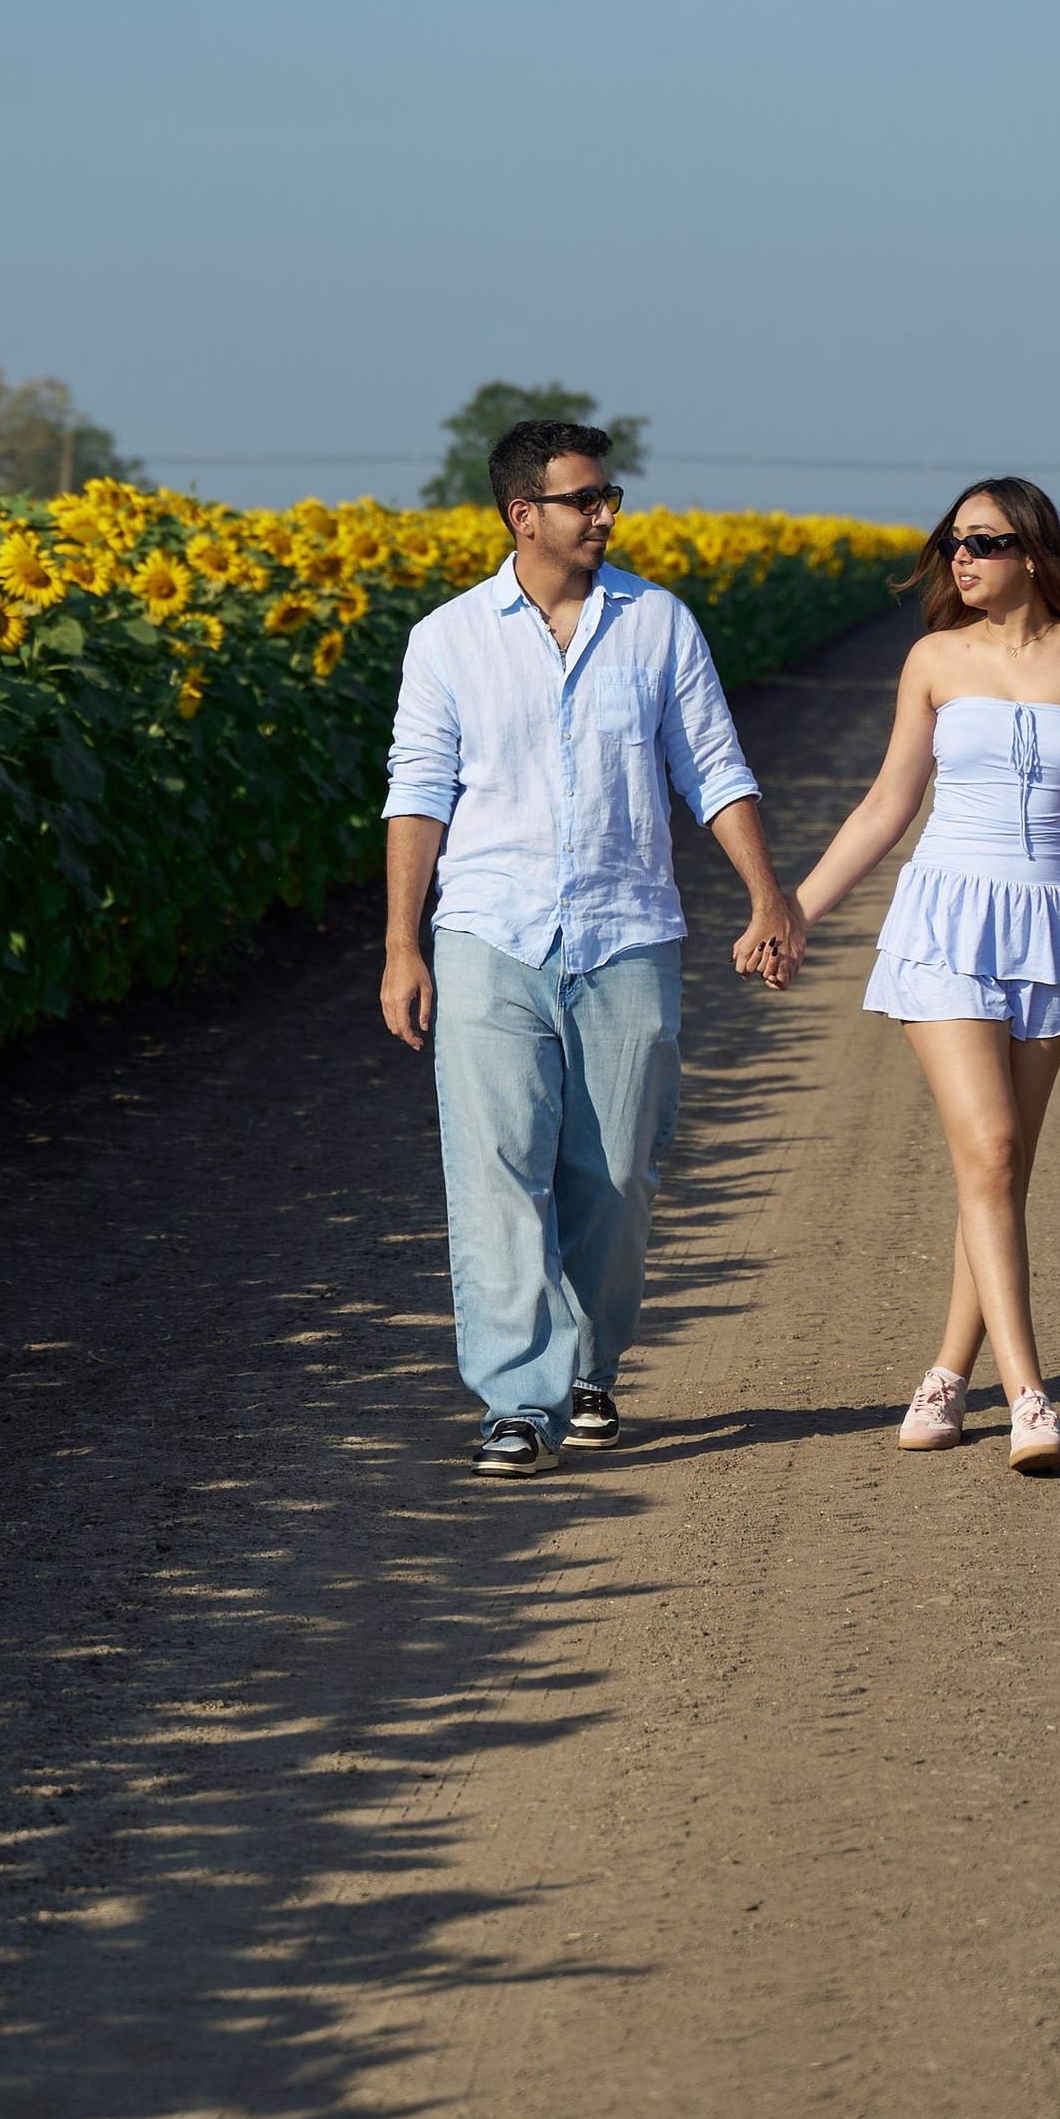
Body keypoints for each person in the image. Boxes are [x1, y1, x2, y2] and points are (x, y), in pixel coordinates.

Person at [381, 419, 805, 1475]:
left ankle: (589, 1365)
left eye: (609, 496)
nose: (606, 514)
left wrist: (768, 898)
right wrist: (402, 943)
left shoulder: (657, 624)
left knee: (617, 1173)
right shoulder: (447, 639)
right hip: (489, 927)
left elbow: (712, 765)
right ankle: (516, 1399)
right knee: (494, 1170)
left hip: (626, 931)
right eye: (584, 500)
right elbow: (419, 792)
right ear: (523, 515)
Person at [786, 477, 1060, 1475]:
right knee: (995, 1143)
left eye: (983, 542)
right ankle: (1029, 1396)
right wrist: (790, 911)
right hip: (946, 920)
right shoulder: (931, 659)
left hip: (1052, 922)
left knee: (996, 1172)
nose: (960, 559)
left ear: (1034, 551)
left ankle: (944, 1374)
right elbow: (886, 804)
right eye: (951, 543)